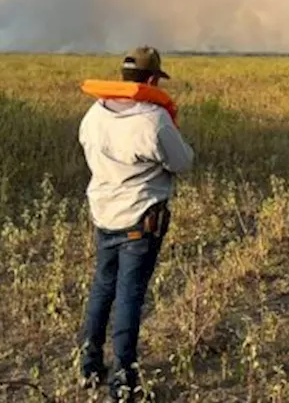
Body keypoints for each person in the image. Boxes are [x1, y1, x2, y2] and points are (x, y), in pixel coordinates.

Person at [76, 46, 194, 400]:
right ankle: (123, 378)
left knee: (102, 287)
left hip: (103, 214)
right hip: (140, 220)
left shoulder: (93, 115)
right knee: (130, 295)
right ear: (154, 80)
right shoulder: (153, 120)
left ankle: (88, 362)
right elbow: (183, 162)